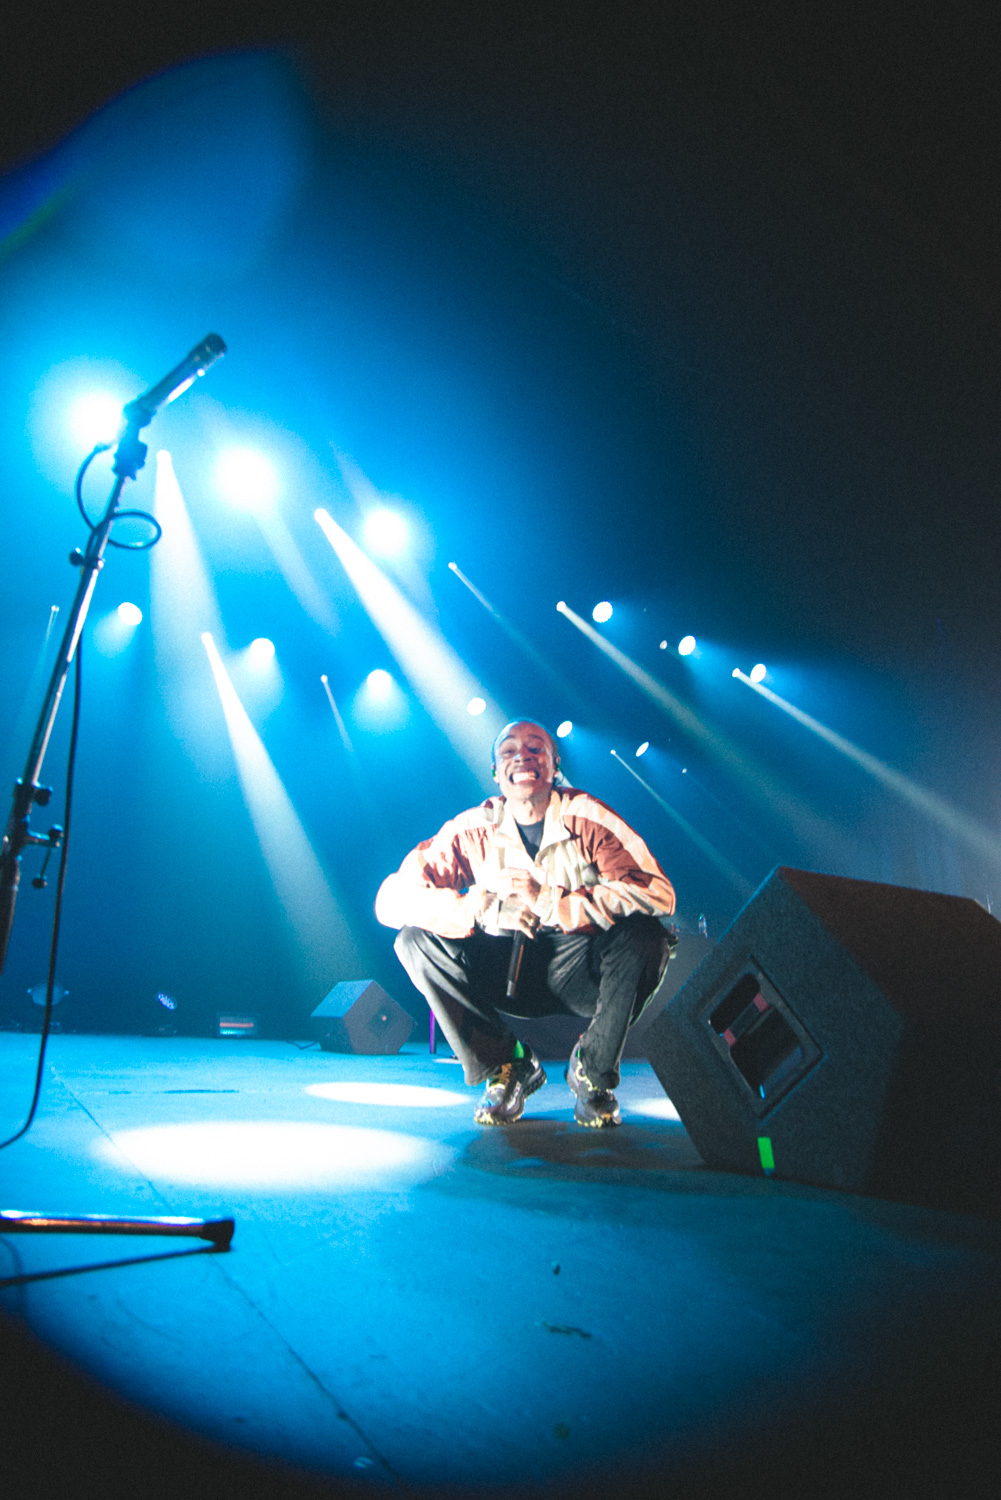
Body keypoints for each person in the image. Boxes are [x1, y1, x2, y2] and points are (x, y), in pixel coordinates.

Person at [376, 720, 677, 1128]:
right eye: (509, 751)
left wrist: (551, 902)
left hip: (578, 970)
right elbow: (390, 900)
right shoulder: (473, 828)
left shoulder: (587, 816)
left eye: (536, 749)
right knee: (413, 941)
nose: (523, 756)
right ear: (497, 774)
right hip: (503, 970)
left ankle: (592, 1071)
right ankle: (509, 1065)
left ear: (554, 767)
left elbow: (657, 892)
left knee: (649, 936)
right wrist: (478, 908)